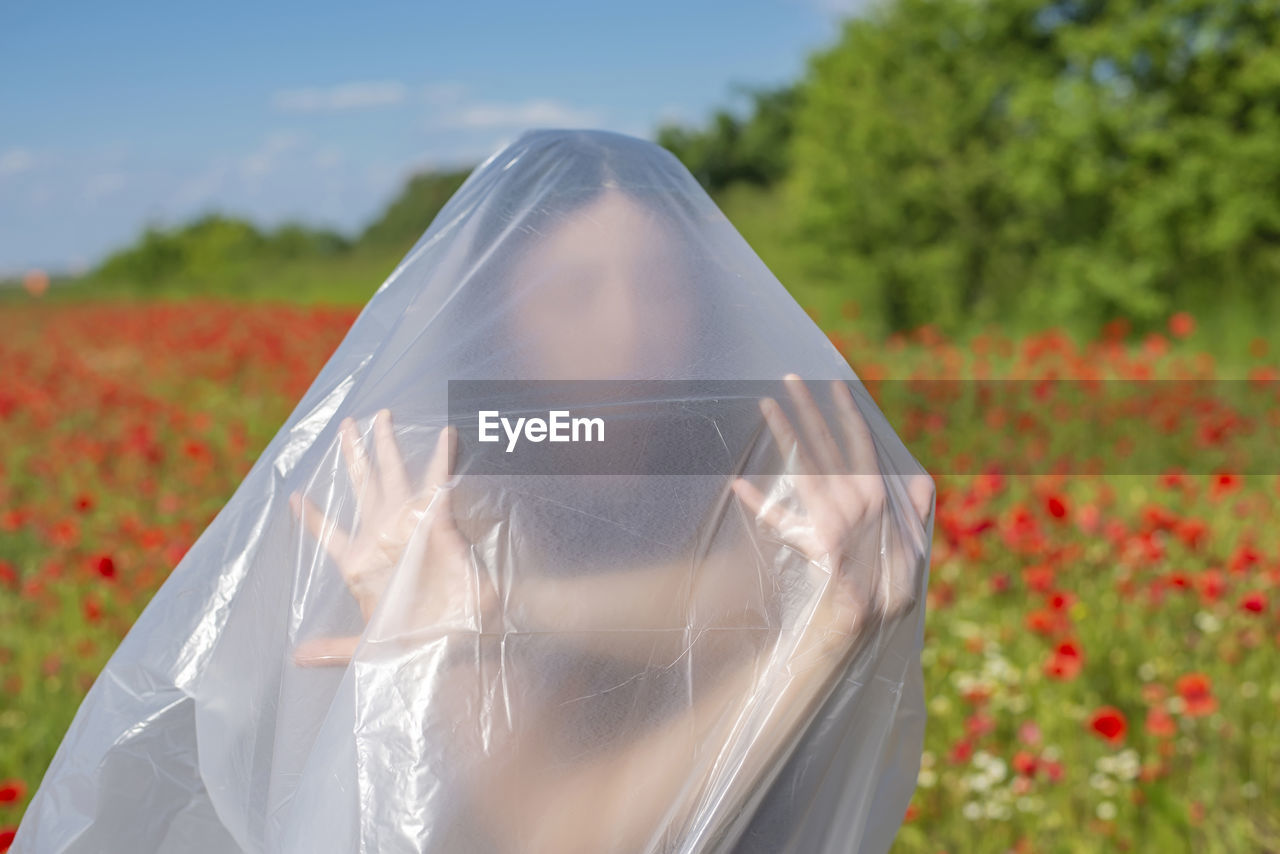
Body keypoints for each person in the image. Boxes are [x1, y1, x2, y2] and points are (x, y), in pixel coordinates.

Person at [12, 129, 933, 854]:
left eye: (663, 286)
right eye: (573, 292)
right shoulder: (457, 509)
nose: (629, 329)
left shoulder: (748, 473)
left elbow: (742, 597)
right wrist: (817, 635)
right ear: (502, 322)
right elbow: (563, 839)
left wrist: (513, 609)